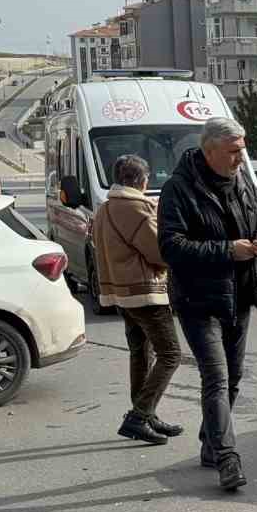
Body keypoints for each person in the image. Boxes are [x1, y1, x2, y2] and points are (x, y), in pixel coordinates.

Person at [158, 116, 257, 493]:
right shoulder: (179, 188)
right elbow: (171, 247)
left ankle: (210, 443)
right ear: (209, 152)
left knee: (234, 377)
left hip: (238, 296)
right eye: (234, 152)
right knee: (217, 378)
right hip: (198, 300)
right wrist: (228, 250)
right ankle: (227, 458)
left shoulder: (243, 183)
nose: (241, 158)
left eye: (243, 150)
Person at [91, 154, 184, 446]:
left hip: (120, 291)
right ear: (141, 180)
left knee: (141, 353)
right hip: (145, 292)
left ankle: (146, 415)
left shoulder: (105, 208)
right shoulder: (135, 207)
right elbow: (158, 251)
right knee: (170, 354)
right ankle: (139, 416)